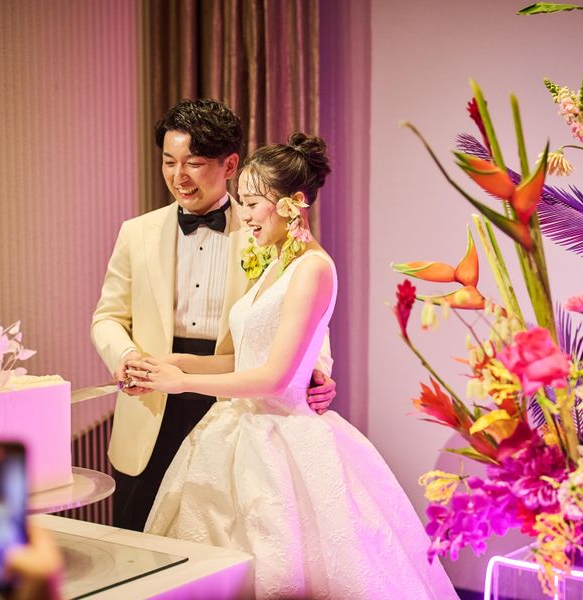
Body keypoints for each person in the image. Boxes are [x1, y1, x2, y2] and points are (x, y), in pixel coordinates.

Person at [127, 134, 458, 599]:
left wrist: (181, 382)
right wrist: (172, 362)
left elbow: (276, 377)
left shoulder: (313, 269)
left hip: (280, 438)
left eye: (252, 204)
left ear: (292, 204)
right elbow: (247, 357)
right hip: (234, 429)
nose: (244, 215)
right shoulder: (275, 264)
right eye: (243, 202)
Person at [90, 99, 336, 532]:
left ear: (230, 165)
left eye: (194, 163)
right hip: (153, 396)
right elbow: (107, 316)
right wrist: (127, 357)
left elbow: (302, 311)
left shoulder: (265, 227)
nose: (178, 176)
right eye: (169, 162)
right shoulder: (137, 232)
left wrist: (314, 371)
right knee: (139, 534)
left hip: (236, 396)